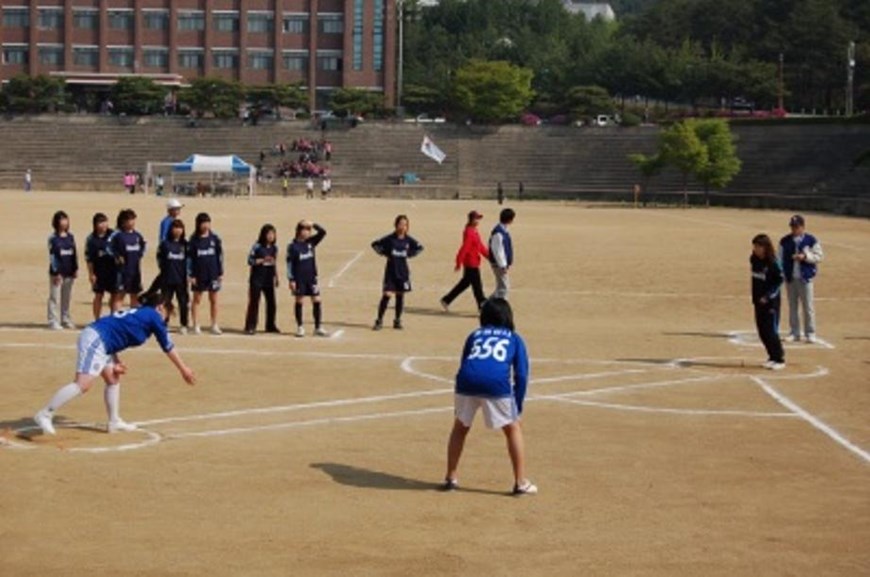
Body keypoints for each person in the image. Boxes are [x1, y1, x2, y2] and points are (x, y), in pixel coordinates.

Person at [33, 289, 196, 436]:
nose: (166, 320)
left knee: (112, 378)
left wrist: (115, 360)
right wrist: (184, 369)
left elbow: (116, 332)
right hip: (97, 339)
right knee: (83, 384)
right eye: (167, 314)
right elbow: (168, 346)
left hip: (102, 341)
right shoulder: (153, 315)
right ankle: (45, 413)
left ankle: (114, 421)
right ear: (160, 307)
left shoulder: (141, 314)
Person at [441, 298, 536, 495]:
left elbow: (464, 362)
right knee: (513, 428)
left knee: (460, 428)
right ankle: (520, 482)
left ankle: (451, 477)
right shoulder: (514, 338)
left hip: (466, 382)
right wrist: (517, 405)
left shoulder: (474, 334)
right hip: (496, 384)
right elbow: (521, 374)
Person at [371, 215, 424, 330]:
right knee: (387, 295)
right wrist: (384, 253)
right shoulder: (390, 239)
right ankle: (379, 320)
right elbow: (375, 244)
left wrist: (409, 254)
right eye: (400, 224)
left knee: (400, 295)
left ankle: (397, 320)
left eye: (405, 224)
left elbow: (420, 248)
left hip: (403, 272)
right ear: (396, 225)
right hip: (391, 272)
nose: (403, 227)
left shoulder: (408, 240)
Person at [778, 215, 824, 343]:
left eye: (797, 226)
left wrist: (805, 257)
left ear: (803, 227)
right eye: (792, 226)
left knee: (808, 306)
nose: (794, 229)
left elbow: (819, 256)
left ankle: (810, 333)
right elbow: (779, 258)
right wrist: (782, 273)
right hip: (790, 278)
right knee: (793, 306)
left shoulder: (811, 240)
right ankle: (794, 332)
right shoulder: (785, 241)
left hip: (805, 278)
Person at [441, 211, 489, 312]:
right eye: (476, 219)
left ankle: (446, 300)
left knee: (465, 283)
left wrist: (489, 256)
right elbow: (465, 248)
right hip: (471, 263)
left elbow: (480, 246)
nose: (478, 221)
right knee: (477, 286)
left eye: (478, 219)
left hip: (474, 261)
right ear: (471, 219)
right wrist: (459, 261)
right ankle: (481, 304)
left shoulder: (474, 231)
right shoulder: (469, 232)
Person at [287, 220, 328, 337]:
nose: (308, 232)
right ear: (299, 231)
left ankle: (318, 327)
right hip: (299, 278)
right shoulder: (293, 246)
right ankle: (300, 327)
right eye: (306, 230)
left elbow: (323, 232)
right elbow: (289, 264)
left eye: (309, 230)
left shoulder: (311, 242)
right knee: (299, 300)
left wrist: (313, 224)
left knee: (317, 300)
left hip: (311, 278)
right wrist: (291, 279)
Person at [751, 234, 785, 370]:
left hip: (771, 303)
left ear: (765, 247)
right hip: (757, 301)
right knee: (762, 331)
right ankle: (771, 357)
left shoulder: (773, 262)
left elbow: (779, 280)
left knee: (771, 330)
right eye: (754, 246)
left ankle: (779, 359)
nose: (755, 249)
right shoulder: (754, 259)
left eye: (758, 246)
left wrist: (768, 296)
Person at [188, 212, 224, 335]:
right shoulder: (193, 240)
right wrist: (191, 275)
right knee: (197, 299)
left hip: (213, 273)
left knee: (214, 299)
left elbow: (220, 256)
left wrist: (220, 273)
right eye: (203, 223)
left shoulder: (215, 239)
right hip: (199, 274)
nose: (205, 225)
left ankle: (214, 324)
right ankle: (196, 325)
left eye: (207, 222)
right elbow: (190, 259)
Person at [245, 224, 280, 335]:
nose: (271, 236)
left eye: (273, 234)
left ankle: (270, 325)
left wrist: (276, 277)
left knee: (271, 303)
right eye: (269, 234)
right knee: (254, 303)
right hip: (257, 279)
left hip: (268, 279)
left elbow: (274, 263)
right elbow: (250, 260)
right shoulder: (257, 247)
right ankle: (250, 326)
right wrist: (260, 260)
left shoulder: (274, 248)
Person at [108, 209, 146, 311]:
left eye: (133, 219)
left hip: (135, 271)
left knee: (134, 295)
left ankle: (133, 317)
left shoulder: (137, 236)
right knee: (120, 296)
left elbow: (143, 247)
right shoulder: (117, 235)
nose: (131, 222)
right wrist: (117, 256)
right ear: (123, 222)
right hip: (122, 271)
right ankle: (116, 317)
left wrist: (139, 255)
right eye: (129, 220)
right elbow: (108, 248)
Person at [157, 219, 190, 334]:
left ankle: (184, 324)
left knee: (183, 302)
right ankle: (164, 323)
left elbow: (189, 261)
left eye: (180, 228)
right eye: (175, 228)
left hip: (181, 279)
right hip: (168, 278)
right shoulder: (165, 244)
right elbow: (160, 259)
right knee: (166, 302)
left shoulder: (185, 245)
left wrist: (188, 274)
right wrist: (164, 271)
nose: (177, 230)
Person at [47, 210, 78, 330]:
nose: (64, 222)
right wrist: (56, 272)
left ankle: (65, 319)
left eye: (66, 219)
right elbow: (53, 256)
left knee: (66, 297)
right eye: (62, 220)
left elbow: (74, 254)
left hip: (69, 271)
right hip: (58, 274)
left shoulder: (70, 237)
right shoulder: (53, 238)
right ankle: (52, 320)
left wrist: (75, 268)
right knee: (54, 297)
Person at [84, 212, 116, 321]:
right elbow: (89, 259)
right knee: (99, 295)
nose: (103, 225)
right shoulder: (91, 239)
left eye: (105, 222)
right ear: (95, 224)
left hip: (113, 271)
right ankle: (97, 319)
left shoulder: (113, 235)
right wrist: (91, 273)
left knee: (114, 295)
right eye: (100, 223)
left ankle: (113, 318)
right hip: (99, 271)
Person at [488, 208, 515, 300]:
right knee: (504, 287)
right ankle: (497, 305)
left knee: (500, 287)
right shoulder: (498, 233)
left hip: (500, 264)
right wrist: (503, 265)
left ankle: (487, 304)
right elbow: (498, 251)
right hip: (498, 264)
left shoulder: (503, 230)